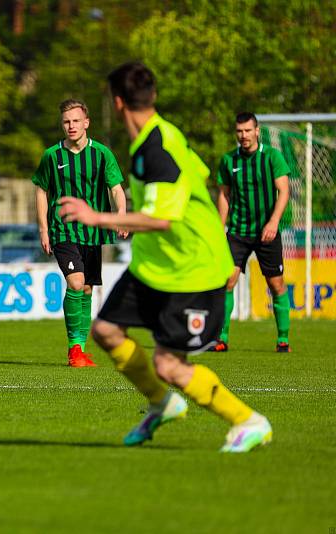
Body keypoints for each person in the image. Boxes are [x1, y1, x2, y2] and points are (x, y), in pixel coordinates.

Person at [59, 62, 272, 452]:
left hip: (192, 268)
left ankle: (249, 421)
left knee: (169, 365)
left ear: (117, 102)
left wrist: (96, 217)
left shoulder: (156, 148)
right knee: (105, 331)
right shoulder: (158, 139)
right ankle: (163, 403)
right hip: (155, 266)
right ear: (152, 97)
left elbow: (160, 218)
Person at [32, 98, 127, 368]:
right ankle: (74, 349)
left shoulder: (102, 154)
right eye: (66, 122)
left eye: (75, 121)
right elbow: (41, 189)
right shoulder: (52, 155)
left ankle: (82, 349)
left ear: (86, 123)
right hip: (63, 229)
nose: (71, 126)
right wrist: (44, 228)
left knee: (86, 288)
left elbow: (116, 188)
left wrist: (121, 214)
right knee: (75, 282)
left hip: (93, 232)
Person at [210, 112, 291, 353]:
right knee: (228, 280)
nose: (243, 135)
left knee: (276, 284)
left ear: (257, 131)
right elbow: (224, 195)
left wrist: (273, 222)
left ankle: (283, 339)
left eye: (247, 130)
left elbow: (284, 191)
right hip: (238, 231)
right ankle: (221, 338)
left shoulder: (272, 157)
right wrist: (218, 228)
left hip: (267, 230)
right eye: (239, 131)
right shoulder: (228, 161)